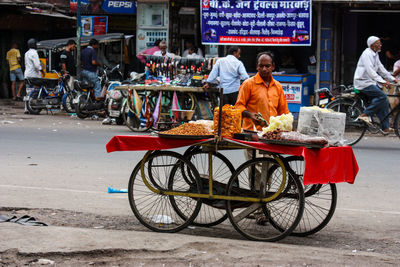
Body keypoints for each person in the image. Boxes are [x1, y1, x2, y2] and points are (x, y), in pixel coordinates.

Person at [353, 36, 397, 134]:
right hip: (362, 82)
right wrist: (382, 82)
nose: (380, 45)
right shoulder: (367, 54)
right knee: (382, 96)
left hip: (370, 82)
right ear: (372, 45)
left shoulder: (375, 54)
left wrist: (393, 79)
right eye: (378, 43)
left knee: (384, 101)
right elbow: (371, 72)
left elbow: (381, 69)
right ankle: (365, 114)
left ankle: (385, 127)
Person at [24, 38, 44, 113]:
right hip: (34, 75)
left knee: (28, 91)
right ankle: (33, 107)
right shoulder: (34, 53)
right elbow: (37, 65)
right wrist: (41, 70)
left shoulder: (26, 53)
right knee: (36, 91)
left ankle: (27, 108)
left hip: (27, 74)